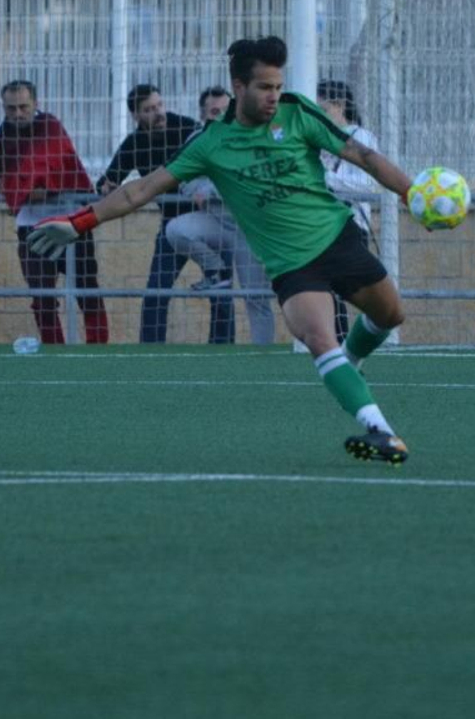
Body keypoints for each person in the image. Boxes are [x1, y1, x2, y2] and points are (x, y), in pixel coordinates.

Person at [27, 36, 423, 464]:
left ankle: (350, 366)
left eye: (277, 85)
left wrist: (412, 195)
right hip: (292, 266)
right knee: (318, 338)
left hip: (338, 238)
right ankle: (382, 431)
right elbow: (138, 190)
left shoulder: (297, 112)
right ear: (238, 86)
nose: (274, 96)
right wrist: (77, 222)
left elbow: (361, 154)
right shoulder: (210, 143)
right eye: (264, 87)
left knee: (390, 315)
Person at [0, 80, 108, 344]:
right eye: (11, 109)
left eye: (23, 107)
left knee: (87, 288)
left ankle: (98, 348)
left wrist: (39, 186)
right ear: (3, 108)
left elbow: (58, 165)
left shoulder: (51, 128)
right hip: (30, 225)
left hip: (71, 222)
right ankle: (54, 349)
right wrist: (16, 192)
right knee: (42, 295)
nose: (17, 114)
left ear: (36, 104)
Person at [163, 86, 276, 344]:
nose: (222, 114)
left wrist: (211, 190)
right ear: (204, 116)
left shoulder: (251, 138)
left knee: (255, 298)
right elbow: (181, 178)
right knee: (176, 230)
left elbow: (246, 179)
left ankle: (264, 357)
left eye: (227, 109)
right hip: (217, 223)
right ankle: (215, 269)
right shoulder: (196, 140)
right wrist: (198, 189)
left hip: (250, 229)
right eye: (215, 111)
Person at [96, 83, 201, 343]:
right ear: (136, 116)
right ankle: (150, 350)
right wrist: (106, 187)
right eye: (149, 109)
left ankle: (223, 349)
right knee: (156, 291)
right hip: (172, 224)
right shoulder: (135, 143)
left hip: (208, 219)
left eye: (159, 105)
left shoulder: (187, 128)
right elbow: (109, 180)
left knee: (220, 291)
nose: (159, 113)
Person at [317, 80, 380, 342]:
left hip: (351, 226)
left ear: (339, 105)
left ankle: (362, 334)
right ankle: (337, 342)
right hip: (323, 226)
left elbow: (364, 185)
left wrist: (323, 179)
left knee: (358, 292)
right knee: (322, 286)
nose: (318, 115)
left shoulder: (360, 137)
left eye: (322, 109)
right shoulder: (320, 139)